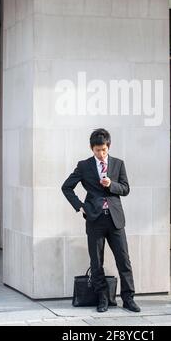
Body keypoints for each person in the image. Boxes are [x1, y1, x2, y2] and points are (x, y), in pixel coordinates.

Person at [62, 128, 140, 313]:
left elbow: (126, 188)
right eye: (97, 150)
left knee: (124, 260)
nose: (101, 153)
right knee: (96, 262)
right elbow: (66, 187)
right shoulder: (84, 165)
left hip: (115, 220)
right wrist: (80, 206)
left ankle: (128, 299)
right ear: (92, 148)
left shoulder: (118, 164)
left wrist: (111, 185)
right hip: (94, 219)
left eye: (104, 150)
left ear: (108, 147)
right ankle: (103, 298)